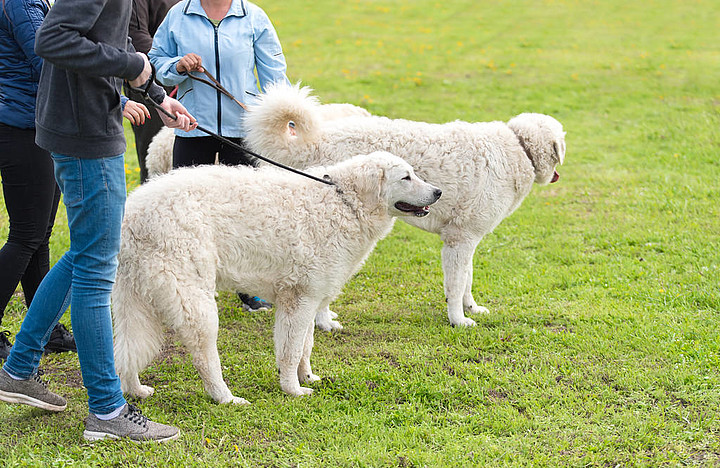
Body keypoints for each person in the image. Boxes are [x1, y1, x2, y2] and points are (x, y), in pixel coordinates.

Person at [0, 0, 197, 443]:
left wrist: (159, 95)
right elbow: (51, 39)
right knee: (96, 267)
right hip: (83, 130)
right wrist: (133, 65)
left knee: (88, 253)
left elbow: (112, 37)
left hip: (88, 120)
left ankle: (18, 368)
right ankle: (107, 411)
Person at [149, 0, 290, 312]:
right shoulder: (178, 15)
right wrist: (178, 66)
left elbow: (274, 73)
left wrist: (284, 117)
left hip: (243, 130)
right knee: (184, 212)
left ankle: (248, 288)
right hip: (192, 126)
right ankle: (186, 287)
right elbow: (156, 64)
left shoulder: (253, 16)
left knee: (246, 214)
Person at [0, 0, 77, 360]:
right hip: (20, 125)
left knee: (38, 234)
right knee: (26, 235)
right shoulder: (19, 2)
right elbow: (48, 60)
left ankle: (43, 329)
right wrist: (113, 96)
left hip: (38, 124)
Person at [124, 0, 181, 183]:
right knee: (156, 168)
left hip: (195, 82)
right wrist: (173, 67)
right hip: (150, 84)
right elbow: (136, 37)